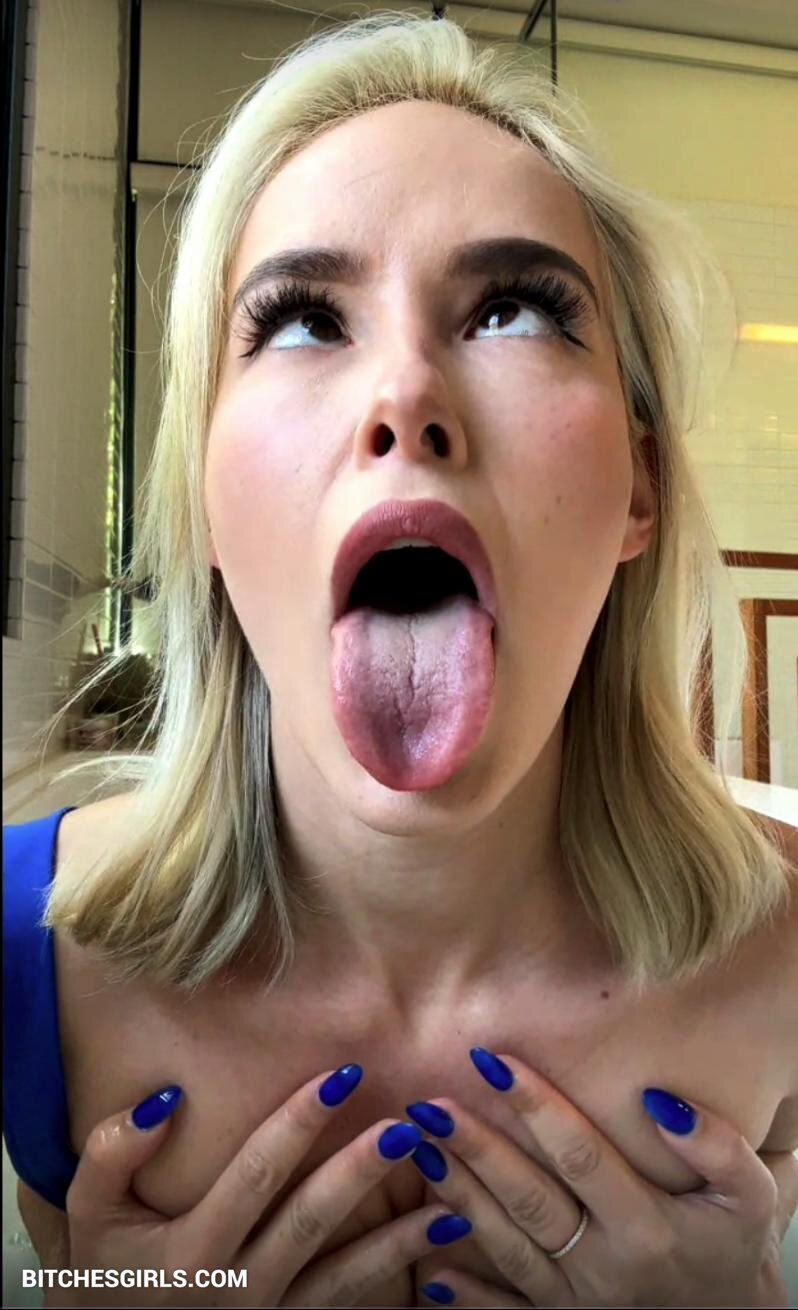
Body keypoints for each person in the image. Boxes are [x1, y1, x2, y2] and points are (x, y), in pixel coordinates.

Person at [4, 12, 797, 1308]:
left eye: (512, 309)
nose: (406, 395)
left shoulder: (787, 946)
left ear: (639, 486)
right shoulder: (22, 950)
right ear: (203, 501)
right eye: (304, 319)